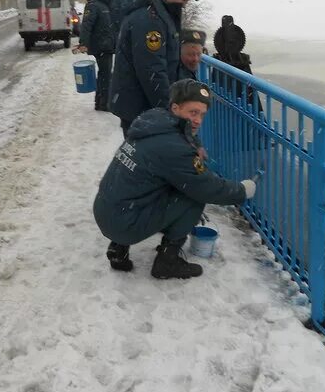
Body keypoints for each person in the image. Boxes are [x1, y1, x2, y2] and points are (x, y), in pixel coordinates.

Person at [93, 79, 256, 279]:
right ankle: (167, 262)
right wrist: (241, 190)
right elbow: (208, 187)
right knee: (192, 196)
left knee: (144, 182)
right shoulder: (174, 149)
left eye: (202, 114)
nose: (198, 120)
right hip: (124, 223)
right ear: (176, 108)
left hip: (106, 210)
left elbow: (181, 133)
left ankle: (118, 249)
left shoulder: (152, 123)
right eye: (193, 112)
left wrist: (194, 143)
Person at [109, 0, 203, 137]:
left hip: (142, 105)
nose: (184, 5)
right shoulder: (150, 19)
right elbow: (152, 70)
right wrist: (169, 112)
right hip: (140, 107)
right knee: (144, 160)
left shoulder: (159, 11)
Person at [78, 0, 115, 111]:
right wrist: (83, 43)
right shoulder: (93, 4)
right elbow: (86, 25)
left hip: (108, 45)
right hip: (101, 45)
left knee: (105, 74)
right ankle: (104, 103)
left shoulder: (108, 4)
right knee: (106, 75)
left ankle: (100, 102)